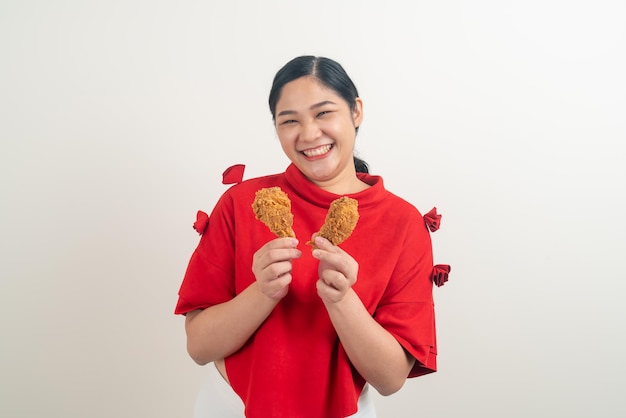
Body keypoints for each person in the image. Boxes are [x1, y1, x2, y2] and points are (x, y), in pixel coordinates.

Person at [175, 55, 440, 418]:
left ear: (356, 111)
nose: (309, 134)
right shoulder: (242, 203)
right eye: (290, 121)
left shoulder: (403, 223)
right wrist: (263, 292)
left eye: (323, 113)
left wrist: (342, 300)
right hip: (230, 407)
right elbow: (199, 346)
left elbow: (391, 378)